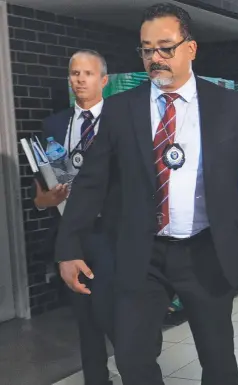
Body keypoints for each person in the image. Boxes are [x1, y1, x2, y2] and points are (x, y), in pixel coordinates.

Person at [54, 3, 238, 385]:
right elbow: (91, 182)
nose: (154, 59)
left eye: (165, 48)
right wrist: (68, 248)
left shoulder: (224, 104)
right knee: (132, 358)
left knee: (218, 359)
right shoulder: (121, 109)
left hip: (206, 251)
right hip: (141, 255)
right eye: (146, 50)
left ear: (190, 48)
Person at [34, 49, 115, 385]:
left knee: (122, 314)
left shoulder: (120, 121)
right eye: (74, 73)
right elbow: (40, 195)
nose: (79, 79)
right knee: (86, 318)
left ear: (104, 80)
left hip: (114, 233)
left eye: (88, 73)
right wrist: (46, 199)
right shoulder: (53, 125)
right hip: (72, 235)